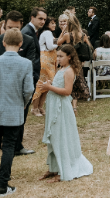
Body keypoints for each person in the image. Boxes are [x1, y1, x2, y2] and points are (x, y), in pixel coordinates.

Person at [0, 28, 34, 196]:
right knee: (9, 146)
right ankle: (3, 185)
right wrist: (23, 103)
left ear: (3, 43)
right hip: (15, 110)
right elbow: (28, 90)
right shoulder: (26, 63)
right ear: (21, 44)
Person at [0, 10, 38, 169]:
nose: (13, 31)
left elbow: (31, 64)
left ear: (21, 26)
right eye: (10, 27)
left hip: (17, 93)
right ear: (4, 25)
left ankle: (17, 147)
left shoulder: (28, 41)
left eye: (16, 28)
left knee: (14, 133)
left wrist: (23, 99)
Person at [39, 45, 93, 183]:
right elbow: (59, 85)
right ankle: (54, 167)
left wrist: (49, 87)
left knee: (60, 137)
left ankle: (63, 170)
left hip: (61, 108)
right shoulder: (61, 69)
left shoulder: (69, 71)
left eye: (61, 56)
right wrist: (50, 84)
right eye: (57, 56)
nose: (58, 58)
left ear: (69, 56)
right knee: (53, 137)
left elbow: (67, 91)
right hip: (53, 105)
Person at [56, 15, 91, 111]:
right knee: (75, 84)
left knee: (67, 82)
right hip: (78, 62)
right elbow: (89, 46)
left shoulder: (68, 35)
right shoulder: (82, 35)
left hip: (68, 60)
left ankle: (66, 104)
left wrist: (63, 31)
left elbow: (58, 43)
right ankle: (74, 107)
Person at [31, 18, 59, 117]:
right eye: (52, 23)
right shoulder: (47, 32)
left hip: (49, 61)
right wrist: (59, 42)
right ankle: (34, 108)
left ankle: (40, 107)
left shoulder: (48, 33)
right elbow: (51, 46)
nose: (54, 25)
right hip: (45, 60)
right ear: (47, 24)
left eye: (55, 23)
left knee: (47, 85)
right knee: (41, 85)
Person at [21, 7, 47, 85]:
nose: (43, 21)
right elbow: (24, 56)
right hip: (29, 75)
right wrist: (33, 75)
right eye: (40, 19)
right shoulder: (27, 32)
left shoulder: (32, 31)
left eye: (44, 20)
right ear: (32, 17)